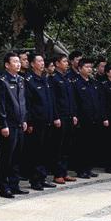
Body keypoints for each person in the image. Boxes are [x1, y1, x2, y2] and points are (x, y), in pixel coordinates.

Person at [23, 53, 58, 191]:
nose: (42, 63)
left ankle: (43, 177)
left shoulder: (45, 79)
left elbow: (51, 100)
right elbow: (28, 103)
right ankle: (35, 179)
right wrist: (30, 122)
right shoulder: (29, 80)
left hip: (47, 120)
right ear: (32, 64)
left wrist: (55, 116)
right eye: (39, 61)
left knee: (45, 151)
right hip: (37, 122)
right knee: (36, 152)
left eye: (43, 61)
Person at [0, 51, 27, 198]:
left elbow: (22, 102)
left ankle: (14, 184)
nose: (18, 64)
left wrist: (24, 119)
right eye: (15, 61)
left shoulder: (20, 79)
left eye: (18, 61)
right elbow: (1, 105)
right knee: (6, 157)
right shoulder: (2, 81)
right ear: (7, 65)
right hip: (9, 124)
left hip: (20, 123)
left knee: (17, 156)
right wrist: (3, 124)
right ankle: (4, 186)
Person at [72, 58, 107, 179]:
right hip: (83, 119)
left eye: (90, 67)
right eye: (86, 67)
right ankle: (81, 169)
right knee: (82, 146)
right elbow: (74, 102)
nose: (89, 69)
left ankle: (88, 168)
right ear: (80, 68)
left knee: (92, 145)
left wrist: (102, 116)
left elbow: (99, 101)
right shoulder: (75, 83)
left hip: (95, 118)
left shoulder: (94, 82)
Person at [48, 54, 77, 185]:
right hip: (60, 116)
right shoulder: (53, 79)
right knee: (58, 147)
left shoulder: (68, 78)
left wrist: (74, 114)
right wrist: (55, 116)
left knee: (67, 145)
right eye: (64, 61)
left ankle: (64, 172)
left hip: (69, 115)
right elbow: (52, 100)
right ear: (57, 63)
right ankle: (57, 174)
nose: (67, 63)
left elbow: (72, 98)